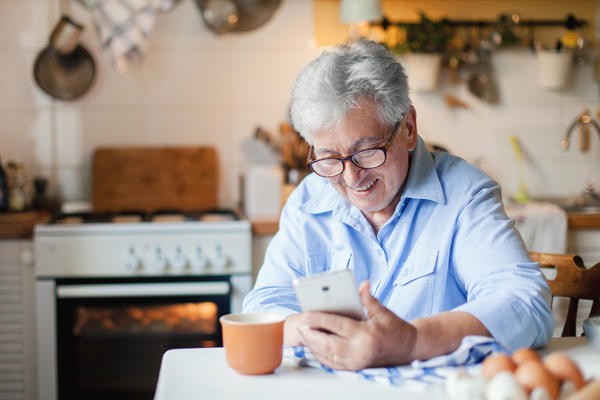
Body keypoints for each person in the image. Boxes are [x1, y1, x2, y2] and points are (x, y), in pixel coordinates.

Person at [242, 39, 553, 370]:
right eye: (330, 158)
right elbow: (265, 304)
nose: (351, 177)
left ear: (407, 127)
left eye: (366, 151)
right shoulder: (308, 200)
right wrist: (307, 329)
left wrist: (413, 341)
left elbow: (525, 302)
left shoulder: (465, 195)